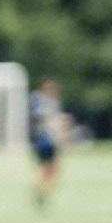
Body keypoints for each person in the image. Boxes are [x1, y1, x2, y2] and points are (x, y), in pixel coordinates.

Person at [28, 77, 70, 210]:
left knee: (46, 167)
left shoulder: (35, 100)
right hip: (46, 140)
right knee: (52, 167)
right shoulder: (45, 101)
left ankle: (41, 190)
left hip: (41, 140)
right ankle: (42, 190)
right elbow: (54, 122)